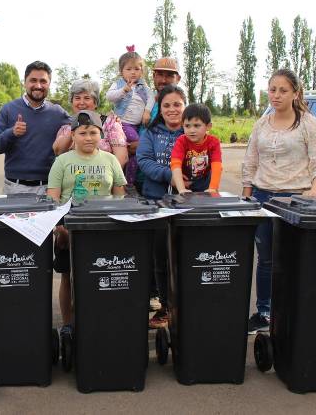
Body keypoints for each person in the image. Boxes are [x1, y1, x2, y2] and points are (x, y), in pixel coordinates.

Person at [242, 68, 316, 333]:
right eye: (272, 90)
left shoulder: (307, 122)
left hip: (295, 199)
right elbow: (250, 162)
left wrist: (315, 191)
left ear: (295, 93)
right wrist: (246, 199)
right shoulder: (261, 124)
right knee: (266, 259)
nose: (277, 95)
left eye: (283, 90)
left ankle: (292, 312)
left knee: (294, 258)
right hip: (263, 198)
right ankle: (265, 313)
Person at [47, 110, 126, 333]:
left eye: (93, 132)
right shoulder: (62, 161)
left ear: (101, 134)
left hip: (103, 225)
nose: (88, 137)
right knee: (67, 277)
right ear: (73, 135)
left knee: (101, 274)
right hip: (69, 224)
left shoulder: (110, 160)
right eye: (83, 133)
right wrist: (59, 230)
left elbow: (120, 197)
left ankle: (100, 317)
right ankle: (68, 324)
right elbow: (52, 199)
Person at [136, 85, 187, 329]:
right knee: (159, 258)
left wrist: (189, 181)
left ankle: (186, 305)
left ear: (184, 106)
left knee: (184, 257)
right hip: (155, 202)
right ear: (160, 108)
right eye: (166, 105)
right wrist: (172, 176)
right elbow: (143, 161)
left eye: (177, 104)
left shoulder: (192, 131)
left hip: (188, 204)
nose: (172, 109)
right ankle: (166, 307)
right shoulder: (151, 132)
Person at [0, 60, 70, 194]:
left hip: (49, 187)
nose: (38, 85)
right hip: (15, 187)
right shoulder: (8, 109)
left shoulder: (57, 112)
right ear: (25, 82)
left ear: (49, 84)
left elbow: (82, 126)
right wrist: (12, 132)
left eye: (43, 81)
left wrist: (108, 120)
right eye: (33, 80)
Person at [105, 46, 153, 186]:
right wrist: (123, 90)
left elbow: (151, 98)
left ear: (142, 71)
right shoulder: (119, 84)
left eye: (136, 69)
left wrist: (147, 111)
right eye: (129, 69)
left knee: (135, 155)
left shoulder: (143, 87)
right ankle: (128, 184)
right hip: (122, 124)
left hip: (136, 126)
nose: (133, 72)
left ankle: (127, 181)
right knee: (140, 147)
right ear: (121, 72)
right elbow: (109, 96)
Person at [52, 78, 127, 167]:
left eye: (87, 98)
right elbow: (58, 151)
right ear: (72, 102)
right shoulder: (67, 127)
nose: (81, 102)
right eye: (77, 98)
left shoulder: (110, 124)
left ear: (95, 103)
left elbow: (122, 157)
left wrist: (105, 177)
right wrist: (75, 123)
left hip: (103, 178)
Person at [170, 103, 222, 193]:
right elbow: (175, 164)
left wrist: (213, 188)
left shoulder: (214, 142)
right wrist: (182, 189)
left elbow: (217, 166)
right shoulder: (181, 141)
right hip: (183, 182)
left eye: (196, 125)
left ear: (208, 126)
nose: (191, 130)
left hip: (204, 182)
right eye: (187, 126)